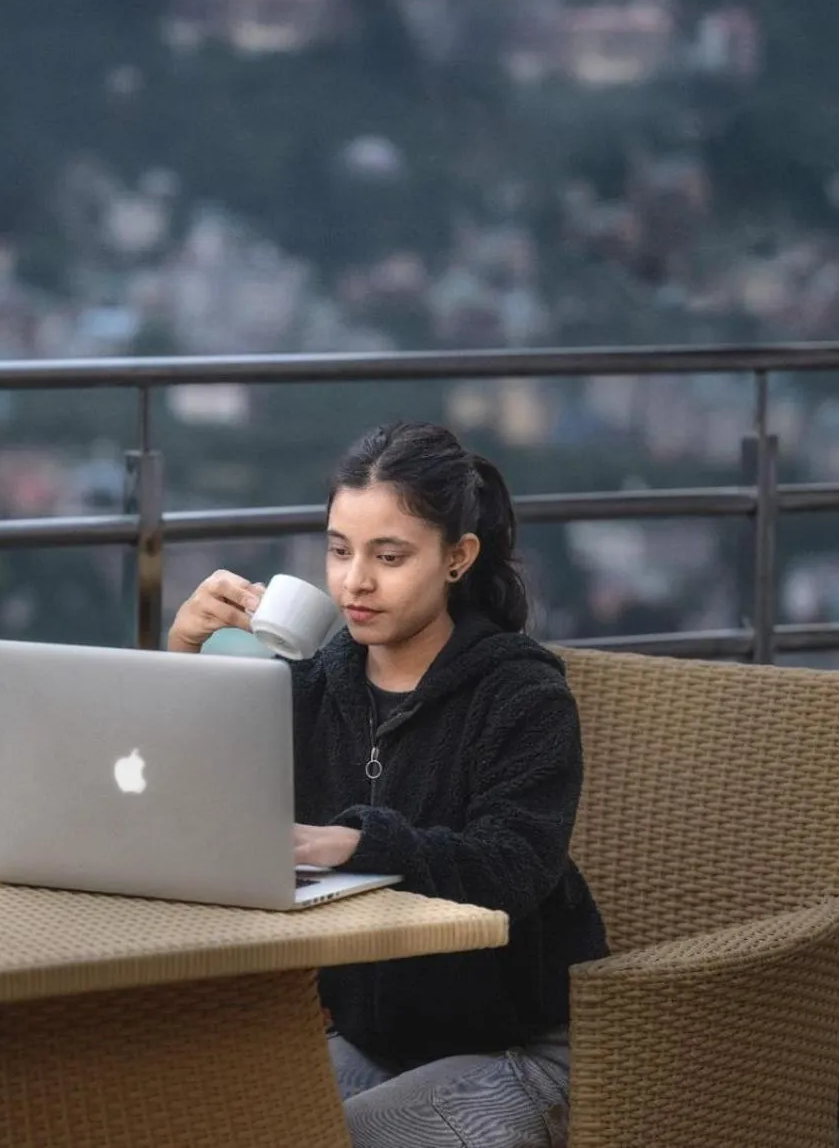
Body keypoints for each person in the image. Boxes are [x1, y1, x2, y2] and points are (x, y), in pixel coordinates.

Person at [167, 420, 607, 1148]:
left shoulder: (523, 696)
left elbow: (512, 866)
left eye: (389, 556)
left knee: (326, 1140)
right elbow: (189, 790)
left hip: (522, 1048)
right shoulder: (316, 686)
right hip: (379, 1044)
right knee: (206, 1120)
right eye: (339, 551)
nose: (354, 582)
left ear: (458, 557)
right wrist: (184, 647)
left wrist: (355, 843)